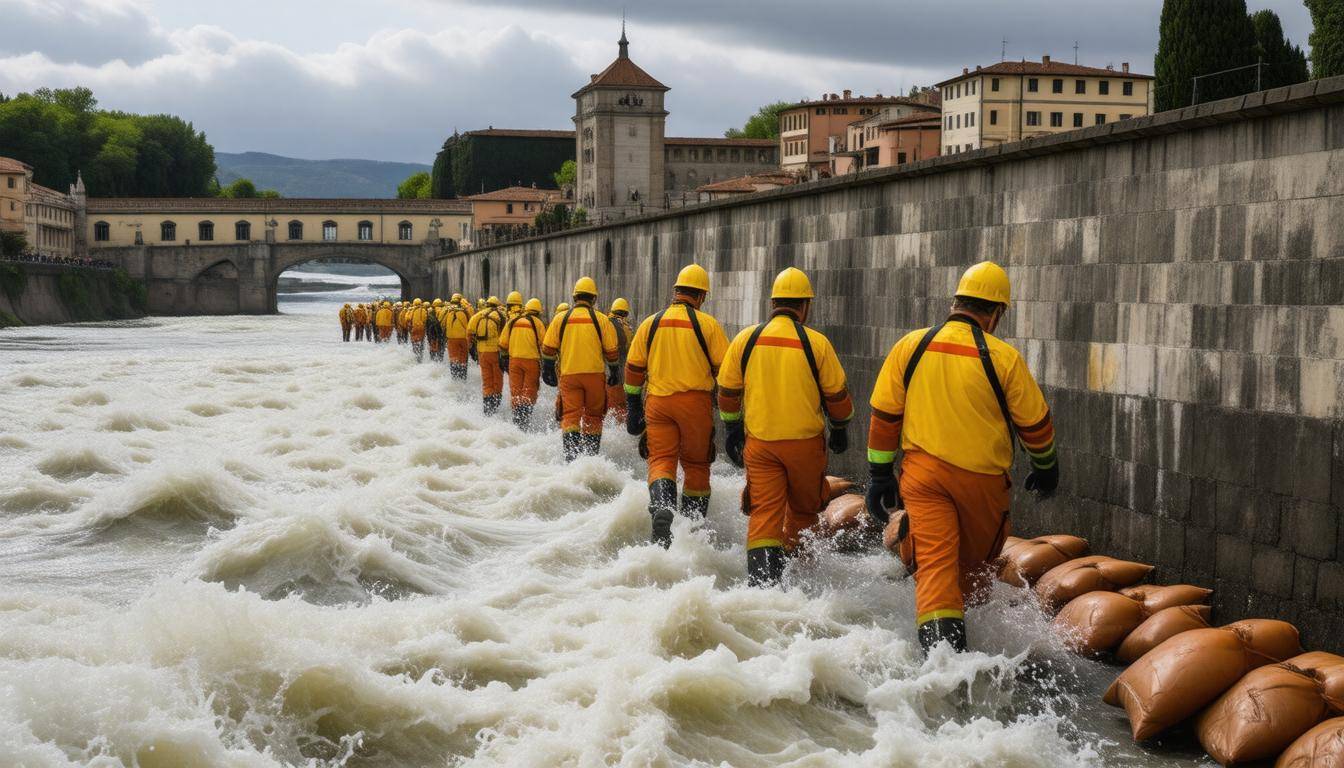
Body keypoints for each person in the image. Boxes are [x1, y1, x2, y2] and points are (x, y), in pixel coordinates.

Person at [865, 261, 1057, 654]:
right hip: (983, 485)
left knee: (936, 567)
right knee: (973, 572)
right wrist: (1045, 465)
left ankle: (940, 669)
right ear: (997, 312)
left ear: (956, 302)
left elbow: (885, 418)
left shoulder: (911, 346)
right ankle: (967, 662)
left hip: (925, 478)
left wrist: (879, 473)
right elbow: (1035, 426)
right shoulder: (1003, 358)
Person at [717, 267, 853, 587]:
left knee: (764, 513)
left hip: (761, 444)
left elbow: (727, 392)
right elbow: (837, 396)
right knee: (804, 511)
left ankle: (763, 586)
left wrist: (732, 428)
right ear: (805, 306)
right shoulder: (816, 343)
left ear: (773, 302)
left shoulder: (745, 339)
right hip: (804, 445)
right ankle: (797, 579)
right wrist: (841, 428)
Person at [624, 265, 728, 548]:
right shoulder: (708, 325)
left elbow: (633, 370)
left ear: (677, 291)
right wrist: (734, 418)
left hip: (658, 404)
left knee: (660, 460)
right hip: (695, 404)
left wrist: (633, 405)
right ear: (701, 295)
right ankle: (692, 531)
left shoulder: (650, 323)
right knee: (696, 464)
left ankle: (662, 509)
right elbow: (727, 373)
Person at [542, 277, 619, 460]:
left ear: (574, 297)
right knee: (593, 416)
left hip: (569, 375)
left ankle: (572, 458)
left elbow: (548, 349)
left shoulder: (561, 318)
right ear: (594, 299)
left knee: (570, 416)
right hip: (595, 377)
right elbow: (612, 351)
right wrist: (614, 371)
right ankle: (591, 458)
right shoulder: (601, 320)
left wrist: (547, 369)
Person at [499, 298, 547, 430]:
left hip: (514, 362)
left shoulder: (513, 321)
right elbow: (545, 346)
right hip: (531, 362)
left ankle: (516, 423)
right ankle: (525, 423)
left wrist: (504, 359)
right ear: (538, 312)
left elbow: (502, 344)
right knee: (529, 392)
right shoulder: (538, 323)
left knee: (516, 392)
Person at [468, 296, 508, 415]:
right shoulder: (501, 315)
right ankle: (496, 405)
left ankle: (487, 407)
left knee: (486, 379)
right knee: (497, 378)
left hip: (482, 353)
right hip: (496, 352)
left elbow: (469, 332)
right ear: (497, 305)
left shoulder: (477, 316)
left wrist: (472, 348)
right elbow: (505, 335)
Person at [606, 298, 635, 425]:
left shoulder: (604, 323)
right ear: (626, 313)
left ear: (612, 311)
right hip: (619, 376)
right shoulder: (628, 328)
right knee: (619, 409)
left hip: (600, 374)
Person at [444, 294, 473, 380]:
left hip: (451, 339)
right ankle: (463, 378)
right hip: (463, 339)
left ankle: (455, 378)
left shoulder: (448, 312)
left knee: (453, 358)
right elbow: (470, 325)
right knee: (463, 358)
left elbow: (442, 323)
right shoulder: (464, 311)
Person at [407, 298, 429, 363]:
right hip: (422, 329)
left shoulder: (412, 311)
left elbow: (408, 319)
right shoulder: (424, 310)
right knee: (421, 342)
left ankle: (416, 357)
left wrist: (408, 311)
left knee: (415, 343)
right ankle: (420, 357)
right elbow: (425, 319)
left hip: (414, 329)